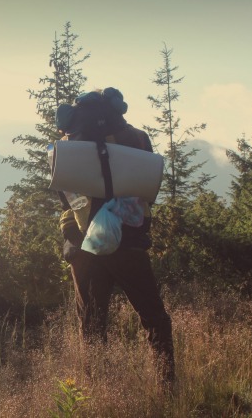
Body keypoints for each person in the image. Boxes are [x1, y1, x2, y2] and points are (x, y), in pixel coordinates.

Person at [55, 87, 175, 385]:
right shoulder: (136, 138)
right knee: (154, 318)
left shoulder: (67, 146)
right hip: (128, 241)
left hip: (84, 245)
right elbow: (150, 187)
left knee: (92, 325)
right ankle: (168, 388)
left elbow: (63, 197)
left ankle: (95, 394)